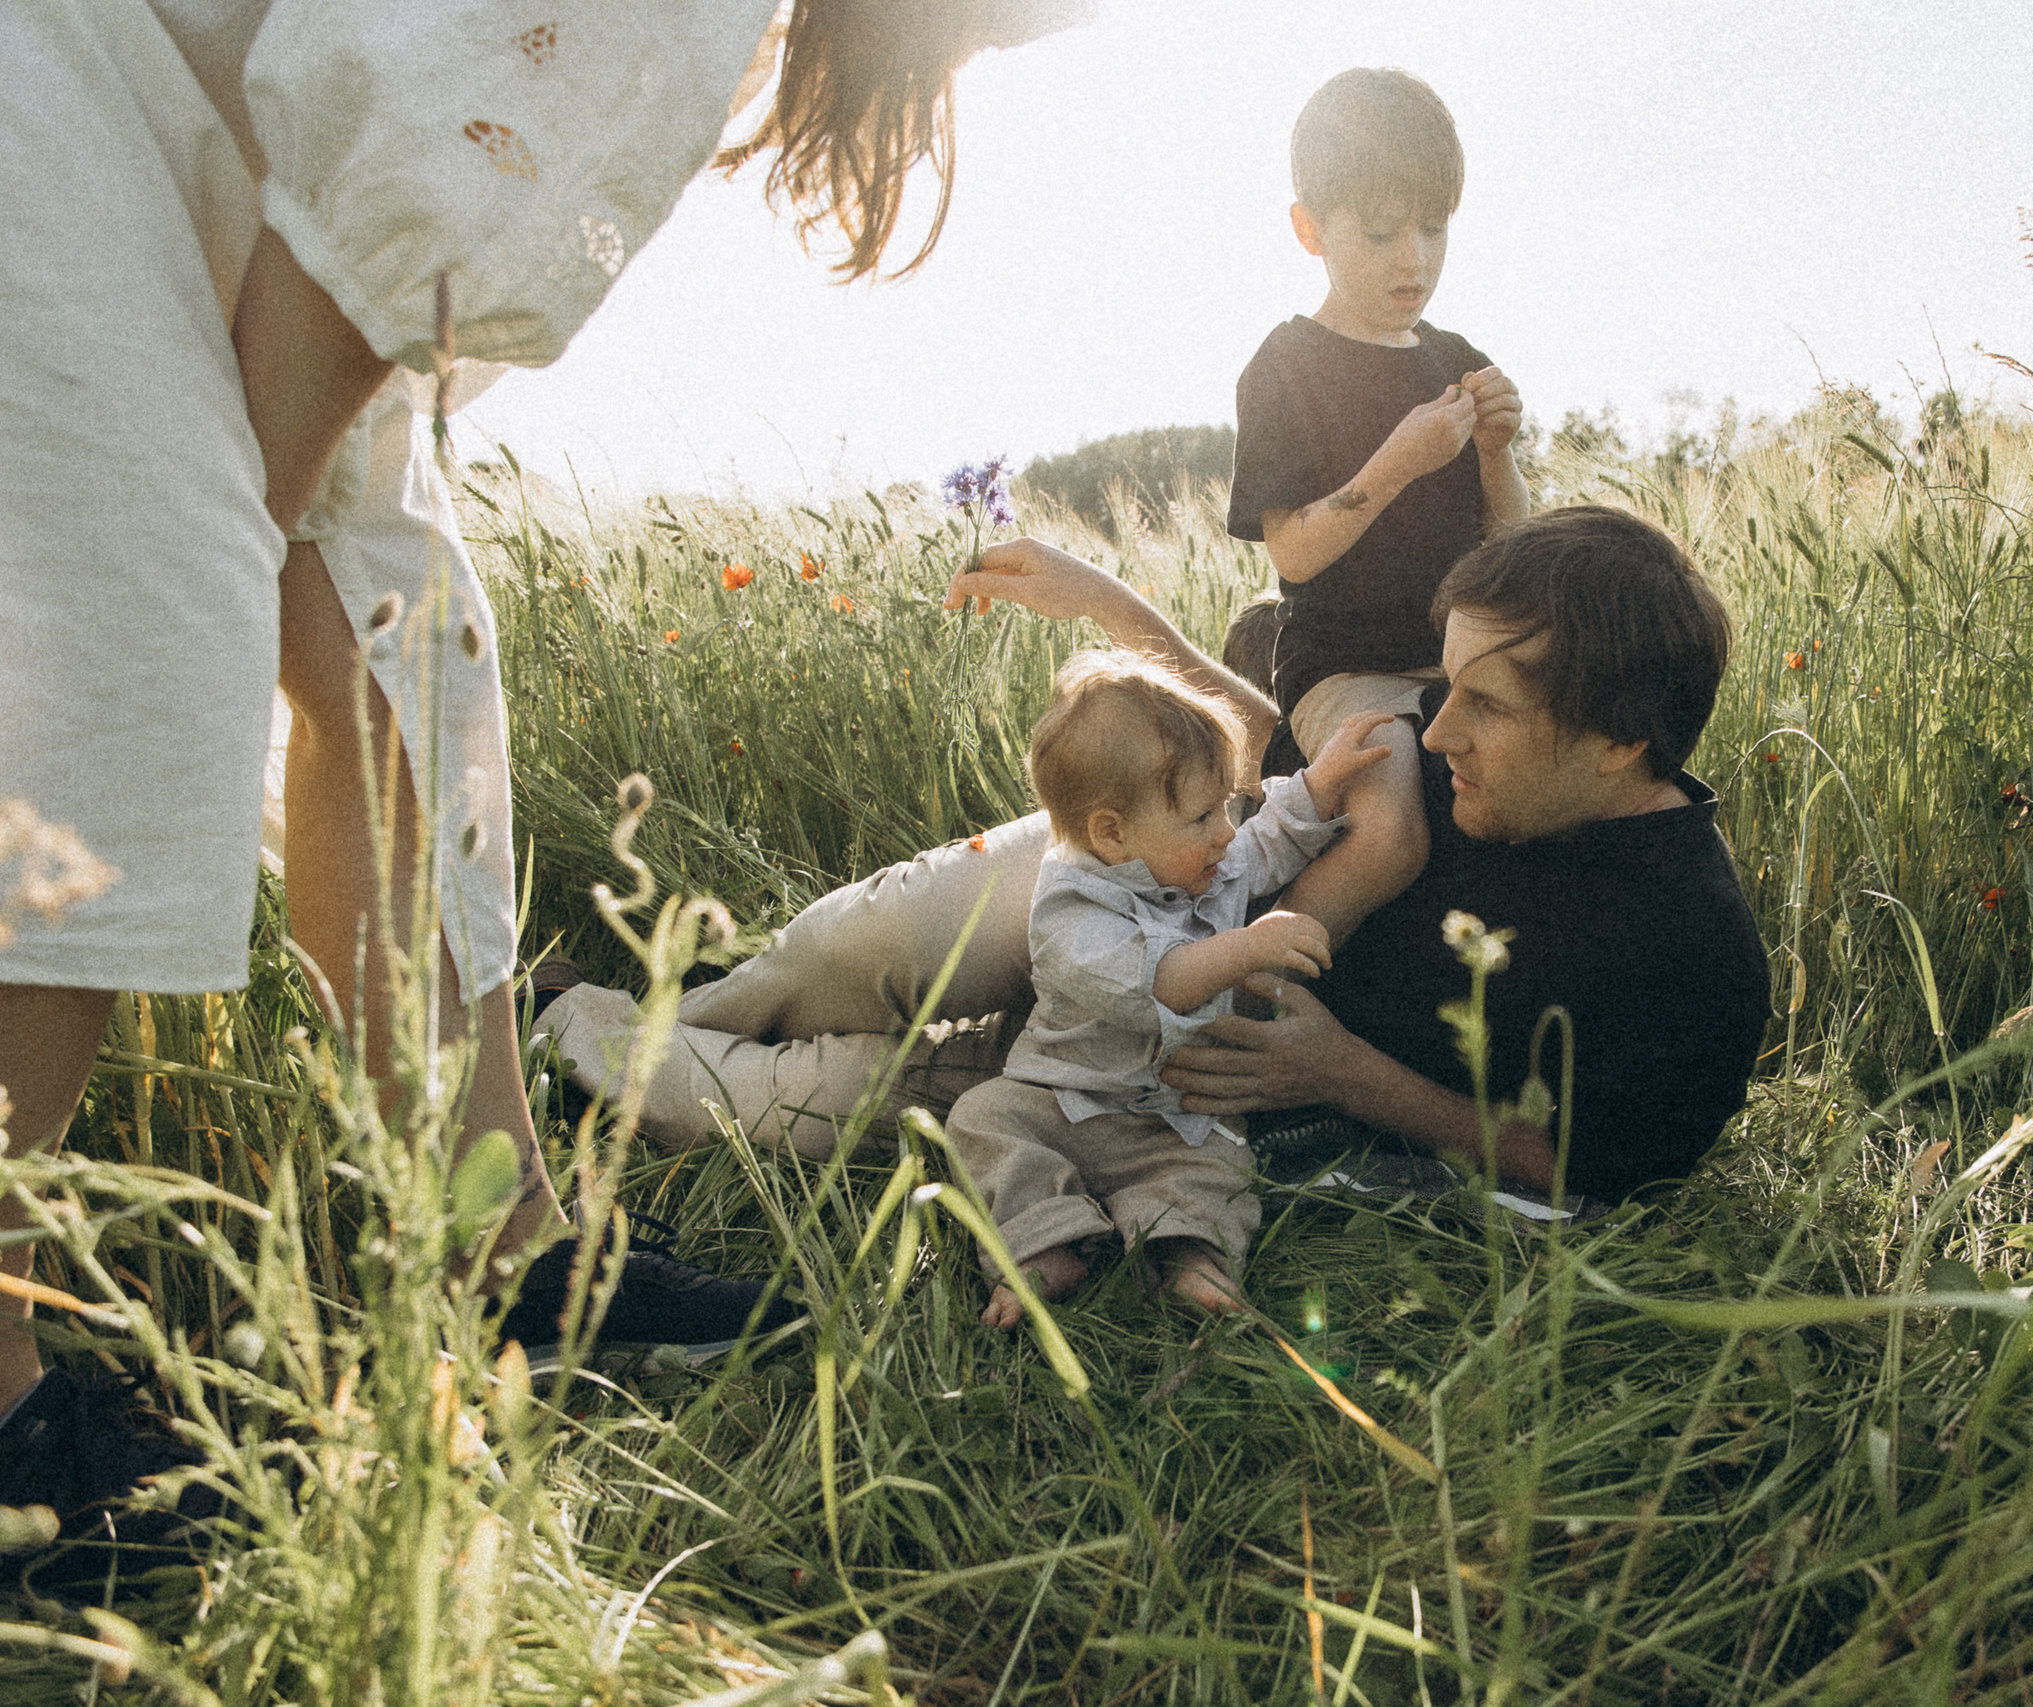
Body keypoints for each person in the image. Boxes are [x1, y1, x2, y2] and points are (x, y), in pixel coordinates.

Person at [0, 0, 1089, 1564]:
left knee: (412, 655)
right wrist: (225, 541)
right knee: (137, 642)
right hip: (67, 84)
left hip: (214, 156)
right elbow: (383, 239)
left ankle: (501, 1252)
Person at [540, 507, 1767, 1213]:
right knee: (843, 949)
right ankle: (676, 1005)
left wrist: (1344, 1076)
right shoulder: (1433, 750)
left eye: (1486, 707)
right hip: (1130, 885)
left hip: (1151, 1074)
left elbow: (1617, 1167)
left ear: (1620, 742)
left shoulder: (1689, 948)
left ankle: (556, 1037)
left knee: (792, 1108)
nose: (1439, 728)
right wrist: (1126, 617)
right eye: (1447, 686)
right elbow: (1252, 747)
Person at [948, 652, 1392, 1330]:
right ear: (1111, 832)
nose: (1223, 832)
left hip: (1174, 1115)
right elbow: (1159, 983)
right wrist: (1249, 944)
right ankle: (1044, 1241)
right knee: (982, 1118)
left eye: (1221, 808)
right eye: (1200, 816)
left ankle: (1191, 1256)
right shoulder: (1069, 906)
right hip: (1066, 1101)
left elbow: (1264, 845)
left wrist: (1320, 783)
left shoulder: (1197, 861)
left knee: (1220, 1166)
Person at [1223, 67, 1532, 952]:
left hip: (1456, 660)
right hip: (1343, 663)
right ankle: (1256, 979)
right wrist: (1397, 462)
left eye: (1434, 229)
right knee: (1394, 829)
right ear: (1308, 229)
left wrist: (1496, 452)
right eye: (1382, 231)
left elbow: (1511, 553)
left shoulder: (1456, 357)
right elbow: (1296, 554)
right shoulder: (1286, 366)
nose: (1415, 259)